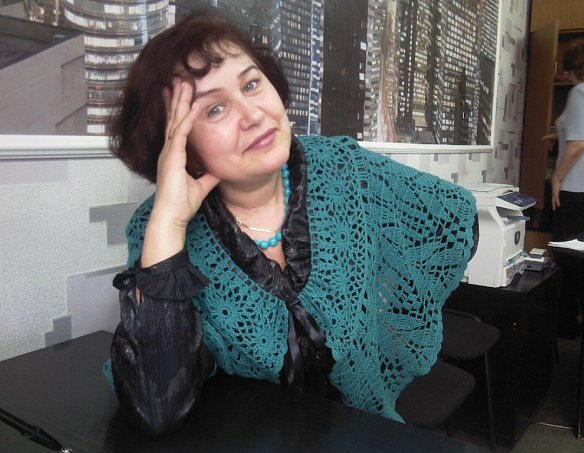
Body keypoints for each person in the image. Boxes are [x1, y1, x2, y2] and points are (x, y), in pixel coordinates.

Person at [104, 10, 477, 436]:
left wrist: (384, 314)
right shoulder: (158, 231)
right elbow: (156, 409)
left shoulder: (346, 171)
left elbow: (453, 220)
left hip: (365, 431)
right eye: (215, 109)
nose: (252, 114)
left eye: (251, 84)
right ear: (178, 146)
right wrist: (169, 223)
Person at [543, 38, 584, 337]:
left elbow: (579, 143)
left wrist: (557, 177)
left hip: (575, 186)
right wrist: (558, 134)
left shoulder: (582, 92)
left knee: (567, 255)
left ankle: (566, 324)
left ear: (574, 67)